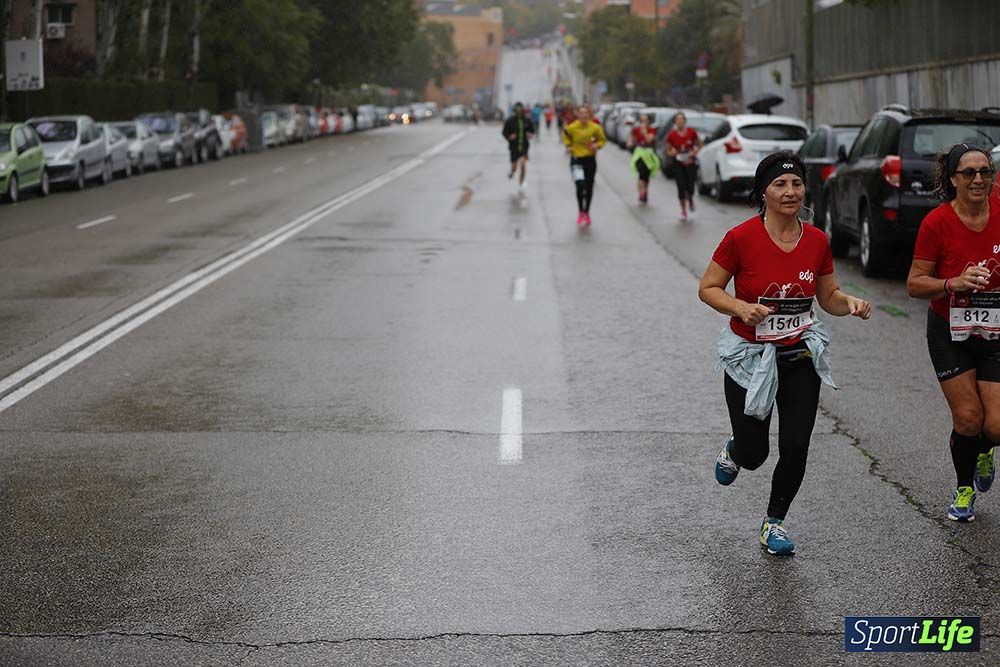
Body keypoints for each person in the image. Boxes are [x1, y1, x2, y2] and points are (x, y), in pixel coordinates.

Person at [698, 151, 872, 556]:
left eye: (796, 184)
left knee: (796, 446)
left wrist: (850, 303)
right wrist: (740, 308)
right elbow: (708, 288)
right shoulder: (740, 238)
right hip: (749, 359)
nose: (790, 192)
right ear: (763, 192)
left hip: (799, 355)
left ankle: (774, 522)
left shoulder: (816, 240)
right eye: (780, 184)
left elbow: (826, 296)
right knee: (755, 454)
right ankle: (736, 448)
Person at [907, 143, 1000, 522]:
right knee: (967, 417)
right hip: (950, 329)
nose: (979, 179)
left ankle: (983, 449)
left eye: (985, 171)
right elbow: (915, 284)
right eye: (969, 173)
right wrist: (953, 283)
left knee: (994, 424)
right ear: (953, 179)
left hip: (996, 329)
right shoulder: (937, 223)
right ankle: (964, 489)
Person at [561, 104, 606, 227]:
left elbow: (602, 140)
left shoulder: (595, 127)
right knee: (580, 186)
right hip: (576, 160)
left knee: (589, 187)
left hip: (590, 160)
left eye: (586, 113)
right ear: (578, 115)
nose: (583, 115)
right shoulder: (572, 127)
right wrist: (568, 146)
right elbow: (565, 135)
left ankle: (587, 212)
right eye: (581, 113)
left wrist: (597, 145)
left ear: (589, 115)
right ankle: (581, 211)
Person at [665, 112, 701, 222]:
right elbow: (668, 150)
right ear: (675, 122)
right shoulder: (671, 135)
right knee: (681, 186)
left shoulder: (691, 132)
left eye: (681, 119)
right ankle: (683, 211)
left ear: (684, 121)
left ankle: (690, 198)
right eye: (677, 120)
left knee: (690, 186)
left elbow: (699, 144)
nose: (679, 121)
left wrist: (695, 152)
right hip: (678, 164)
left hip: (690, 163)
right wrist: (672, 152)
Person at [627, 112, 660, 204]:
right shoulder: (636, 130)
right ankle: (641, 193)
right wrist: (630, 142)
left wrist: (645, 132)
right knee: (641, 174)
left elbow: (649, 140)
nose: (643, 123)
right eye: (642, 121)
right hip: (639, 154)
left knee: (646, 175)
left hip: (649, 154)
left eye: (645, 120)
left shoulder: (651, 130)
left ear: (649, 121)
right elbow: (631, 137)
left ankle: (645, 191)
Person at [502, 102, 535, 187]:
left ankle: (521, 182)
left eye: (520, 109)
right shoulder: (510, 120)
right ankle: (512, 172)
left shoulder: (527, 120)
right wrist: (509, 137)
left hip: (524, 145)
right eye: (517, 110)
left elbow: (532, 130)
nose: (519, 111)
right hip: (513, 147)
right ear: (515, 110)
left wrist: (530, 134)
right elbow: (504, 132)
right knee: (514, 167)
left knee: (523, 165)